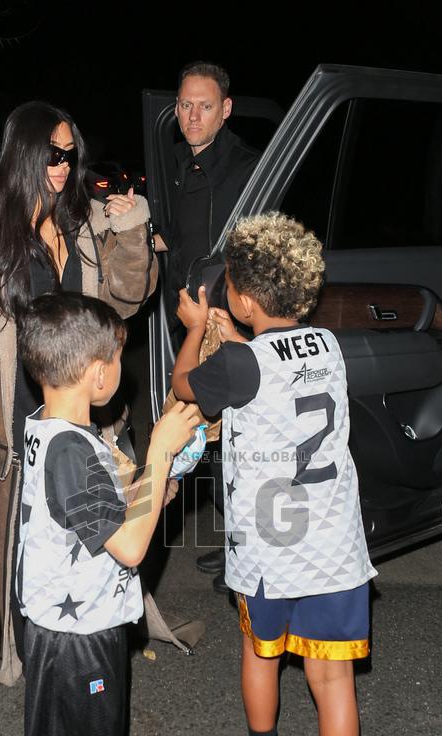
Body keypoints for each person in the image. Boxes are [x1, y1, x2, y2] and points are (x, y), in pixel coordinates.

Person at [171, 213, 382, 736]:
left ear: (241, 298)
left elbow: (184, 386)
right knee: (332, 681)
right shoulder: (328, 344)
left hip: (267, 551)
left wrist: (194, 329)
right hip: (332, 550)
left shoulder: (237, 365)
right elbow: (274, 363)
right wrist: (237, 337)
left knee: (260, 655)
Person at [0, 101, 157, 684]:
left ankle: (76, 665)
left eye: (70, 155)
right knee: (15, 560)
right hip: (15, 429)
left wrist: (131, 230)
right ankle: (25, 666)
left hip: (79, 420)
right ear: (25, 153)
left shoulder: (84, 227)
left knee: (85, 554)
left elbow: (126, 301)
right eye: (52, 154)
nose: (62, 166)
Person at [15, 291, 199, 736]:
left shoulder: (53, 427)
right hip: (76, 641)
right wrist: (158, 455)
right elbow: (128, 546)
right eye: (119, 358)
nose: (121, 368)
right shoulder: (72, 451)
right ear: (98, 374)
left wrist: (152, 480)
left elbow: (111, 510)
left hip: (64, 629)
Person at [154, 61, 261, 594]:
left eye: (205, 106)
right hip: (189, 320)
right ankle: (235, 540)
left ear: (226, 110)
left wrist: (232, 319)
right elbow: (183, 234)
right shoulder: (178, 162)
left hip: (225, 323)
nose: (193, 115)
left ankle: (249, 549)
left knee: (235, 437)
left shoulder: (247, 166)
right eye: (185, 105)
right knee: (213, 439)